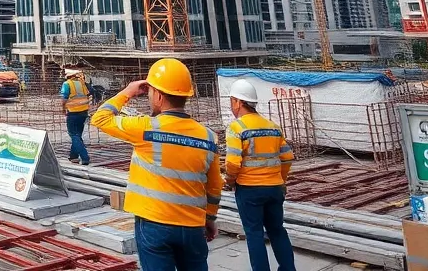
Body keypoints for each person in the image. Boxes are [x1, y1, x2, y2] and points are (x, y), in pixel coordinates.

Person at [91, 58, 222, 271]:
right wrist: (210, 218)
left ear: (159, 96)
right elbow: (215, 185)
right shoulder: (209, 137)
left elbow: (100, 118)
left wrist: (128, 91)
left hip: (154, 224)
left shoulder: (145, 128)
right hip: (192, 225)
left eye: (151, 92)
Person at [224, 79, 295, 271]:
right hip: (274, 189)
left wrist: (229, 181)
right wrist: (281, 180)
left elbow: (232, 162)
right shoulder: (272, 126)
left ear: (238, 102)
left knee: (254, 234)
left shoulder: (236, 128)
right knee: (277, 230)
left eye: (232, 101)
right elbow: (288, 157)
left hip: (249, 190)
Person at [60, 68, 92, 166]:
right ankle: (73, 156)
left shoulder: (67, 84)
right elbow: (88, 95)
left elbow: (64, 98)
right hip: (83, 111)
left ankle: (85, 157)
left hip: (73, 112)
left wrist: (63, 108)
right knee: (77, 135)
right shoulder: (81, 83)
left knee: (74, 135)